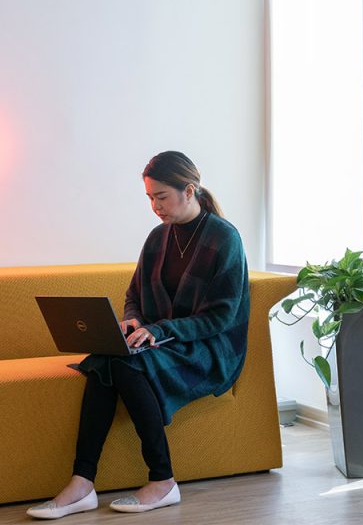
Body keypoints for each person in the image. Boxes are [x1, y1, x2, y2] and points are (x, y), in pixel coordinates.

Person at [27, 151, 251, 519]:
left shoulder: (224, 238)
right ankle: (82, 482)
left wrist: (159, 329)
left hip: (208, 347)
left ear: (189, 190)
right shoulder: (158, 238)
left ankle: (162, 481)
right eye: (149, 198)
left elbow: (222, 317)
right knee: (104, 361)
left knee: (123, 367)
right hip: (162, 339)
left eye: (161, 197)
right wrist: (132, 322)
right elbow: (134, 296)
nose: (154, 206)